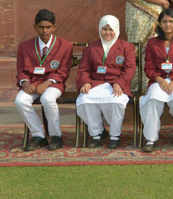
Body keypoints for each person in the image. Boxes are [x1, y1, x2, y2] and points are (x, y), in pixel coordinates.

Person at [15, 9, 73, 151]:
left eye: (48, 27)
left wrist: (47, 83)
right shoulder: (24, 46)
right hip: (32, 83)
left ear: (54, 27)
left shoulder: (65, 45)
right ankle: (38, 136)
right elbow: (21, 71)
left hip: (54, 83)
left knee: (47, 99)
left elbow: (63, 71)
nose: (44, 31)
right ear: (35, 27)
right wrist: (25, 83)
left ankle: (55, 136)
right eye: (41, 27)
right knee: (20, 100)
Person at [76, 15, 136, 149]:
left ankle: (115, 135)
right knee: (84, 101)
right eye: (104, 29)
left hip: (116, 84)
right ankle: (97, 134)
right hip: (96, 83)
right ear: (99, 29)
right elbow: (83, 69)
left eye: (111, 29)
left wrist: (120, 83)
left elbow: (130, 68)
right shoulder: (91, 48)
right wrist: (85, 82)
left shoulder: (127, 47)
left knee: (116, 101)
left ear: (117, 30)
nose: (107, 32)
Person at [140, 9, 173, 152]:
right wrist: (160, 80)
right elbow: (148, 67)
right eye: (164, 21)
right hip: (158, 80)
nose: (168, 25)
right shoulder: (152, 43)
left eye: (171, 21)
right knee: (152, 100)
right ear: (160, 24)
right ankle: (150, 138)